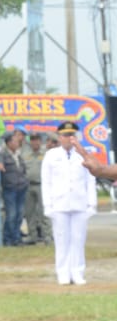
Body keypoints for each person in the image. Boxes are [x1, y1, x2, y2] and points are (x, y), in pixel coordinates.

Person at [40, 120, 97, 286]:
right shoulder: (51, 155)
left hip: (80, 202)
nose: (69, 138)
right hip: (59, 204)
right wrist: (47, 205)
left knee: (78, 240)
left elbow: (90, 180)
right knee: (61, 239)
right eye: (65, 135)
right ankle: (63, 273)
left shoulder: (84, 154)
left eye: (72, 135)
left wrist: (91, 204)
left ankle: (78, 272)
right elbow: (46, 181)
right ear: (59, 137)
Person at [0, 129, 28, 246]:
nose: (17, 143)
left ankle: (16, 238)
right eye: (15, 141)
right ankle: (8, 239)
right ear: (9, 142)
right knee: (11, 215)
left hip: (21, 188)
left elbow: (23, 169)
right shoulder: (2, 154)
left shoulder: (18, 154)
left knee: (19, 215)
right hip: (10, 189)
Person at [22, 131, 51, 245]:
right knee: (30, 213)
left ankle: (47, 236)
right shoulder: (25, 153)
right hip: (28, 186)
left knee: (44, 212)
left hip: (42, 186)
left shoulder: (46, 154)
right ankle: (32, 236)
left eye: (37, 139)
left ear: (40, 141)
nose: (35, 142)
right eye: (32, 139)